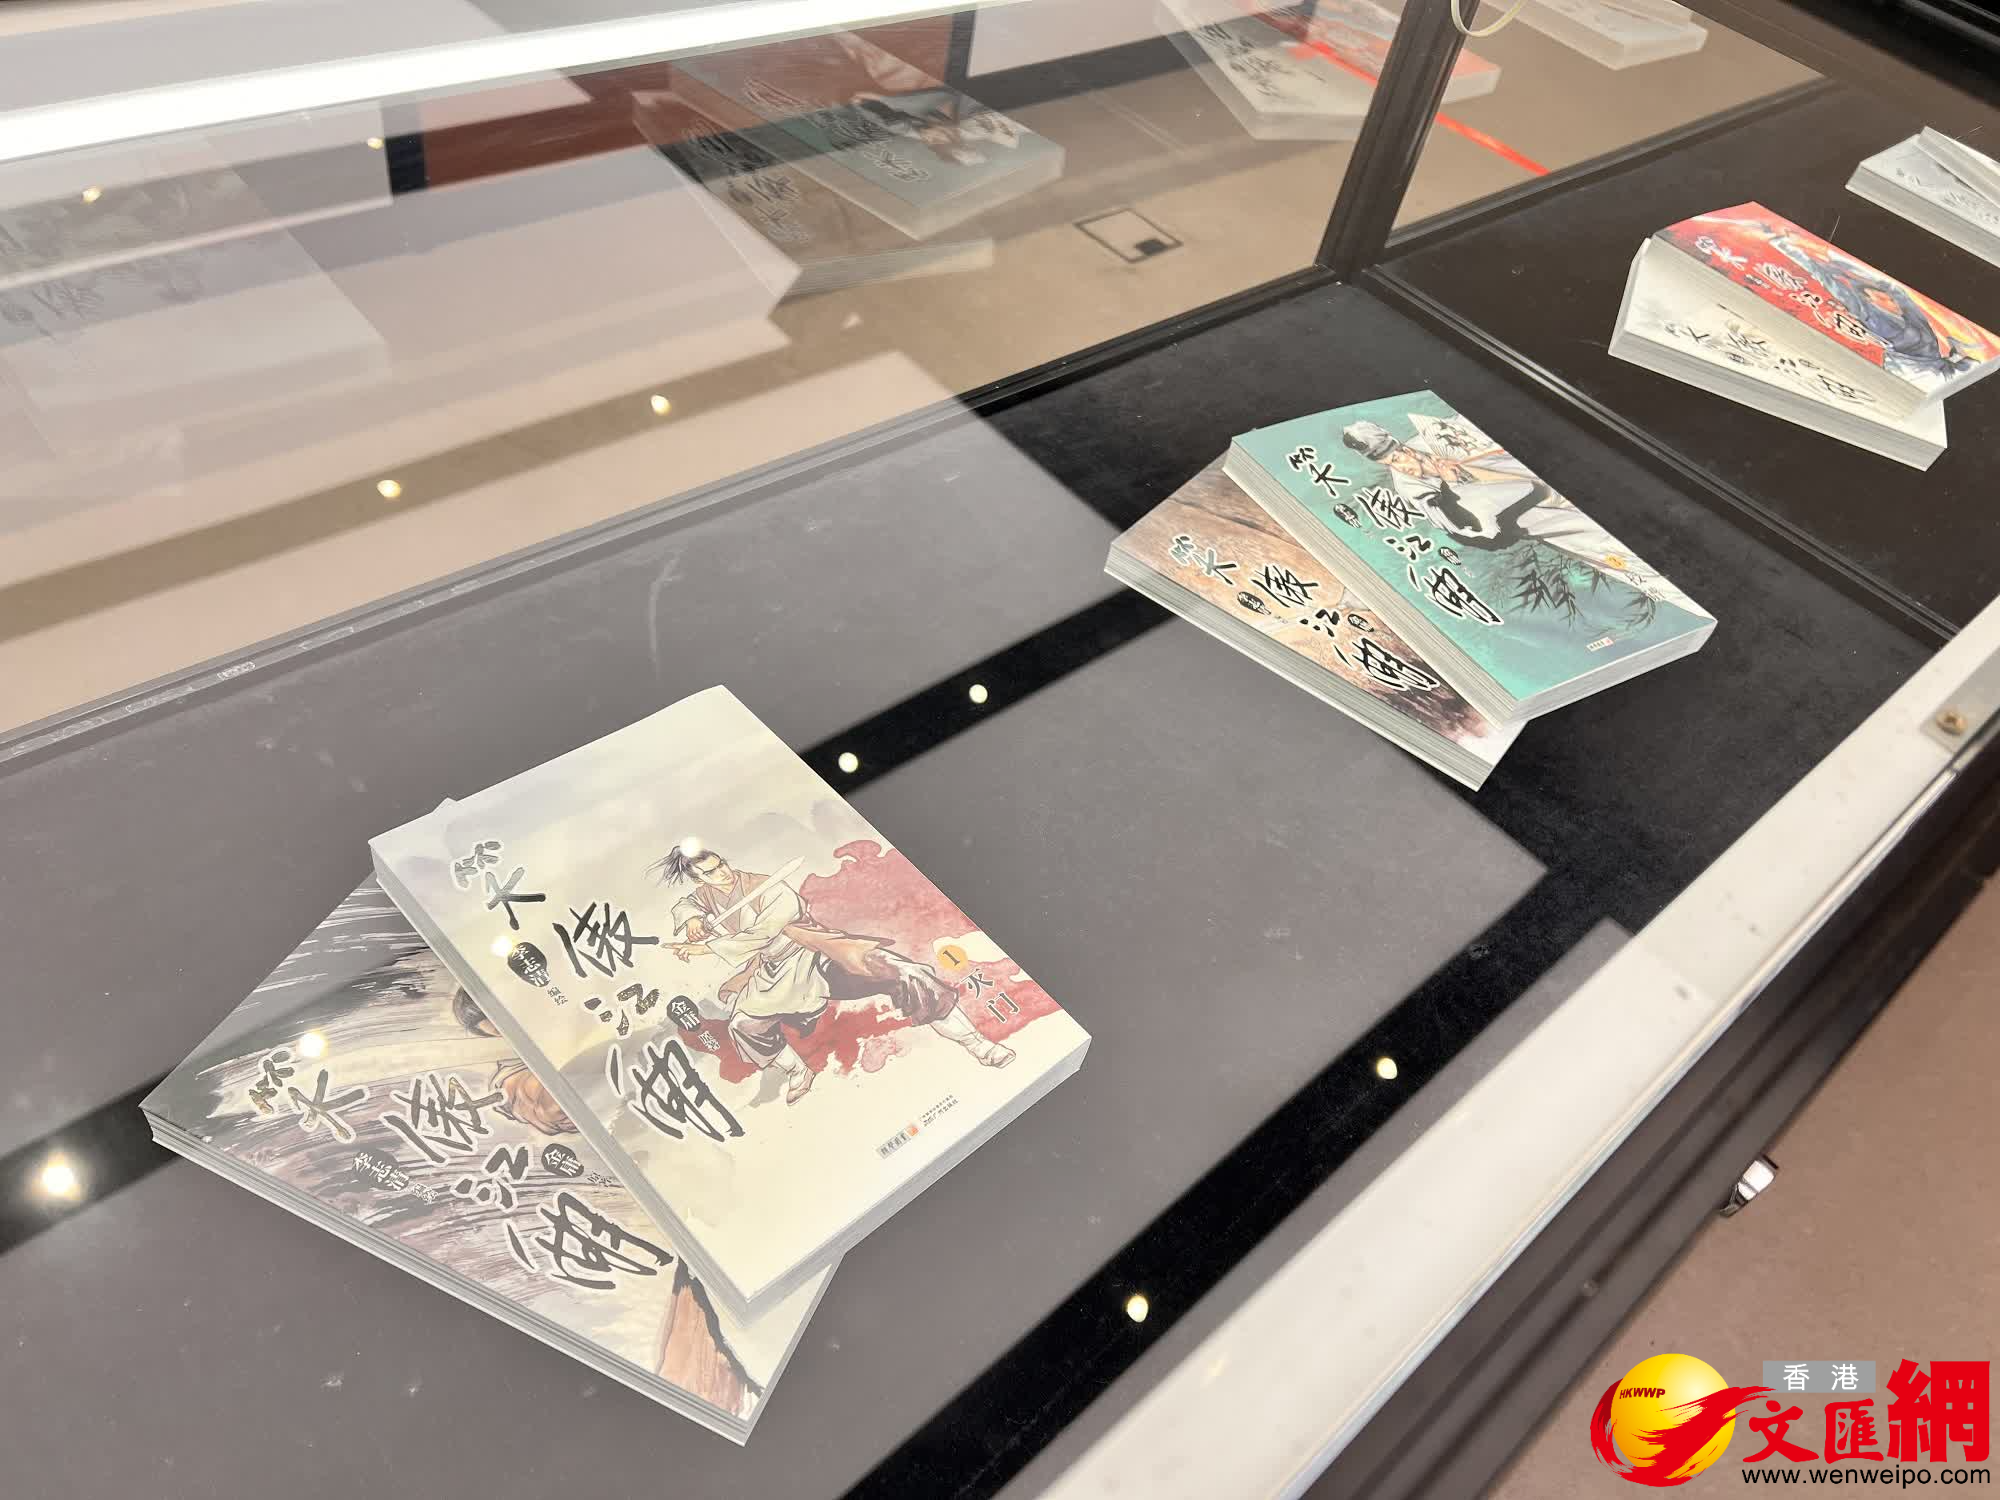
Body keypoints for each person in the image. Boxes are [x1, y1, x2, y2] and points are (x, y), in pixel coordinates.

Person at [652, 841, 1013, 1104]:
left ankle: (978, 1044)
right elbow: (686, 904)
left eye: (721, 865)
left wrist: (706, 947)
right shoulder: (707, 896)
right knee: (744, 1024)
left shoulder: (767, 887)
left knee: (906, 973)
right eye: (711, 872)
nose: (723, 873)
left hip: (816, 952)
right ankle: (798, 1070)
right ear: (698, 878)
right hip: (775, 971)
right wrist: (692, 919)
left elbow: (761, 934)